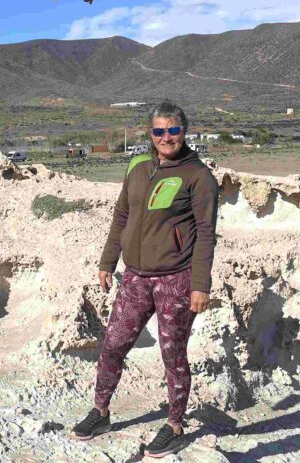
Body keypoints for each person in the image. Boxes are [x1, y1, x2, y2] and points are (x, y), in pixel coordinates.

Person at [71, 100, 219, 458]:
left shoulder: (198, 176)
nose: (166, 137)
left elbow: (205, 233)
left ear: (184, 131)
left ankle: (175, 426)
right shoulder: (137, 166)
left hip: (176, 280)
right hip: (135, 277)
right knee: (113, 344)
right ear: (150, 133)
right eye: (159, 131)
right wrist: (108, 260)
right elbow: (121, 215)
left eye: (173, 130)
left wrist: (200, 284)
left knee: (173, 354)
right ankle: (101, 412)